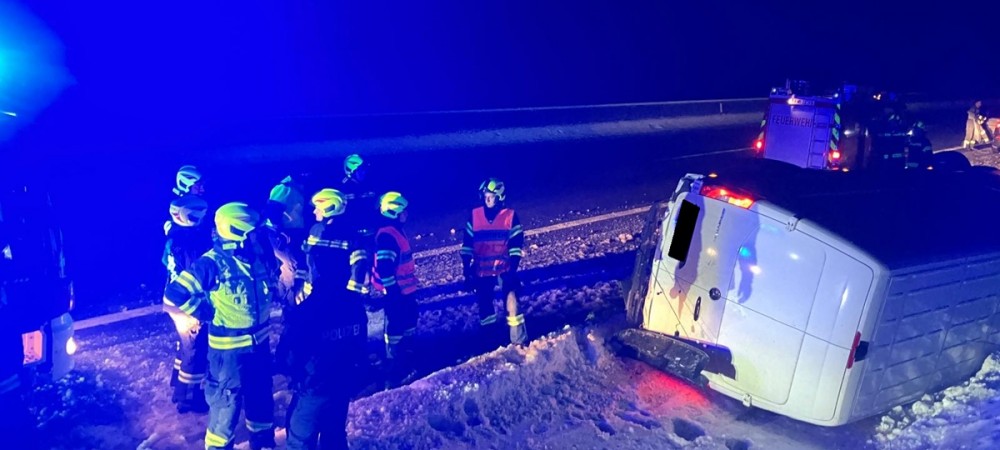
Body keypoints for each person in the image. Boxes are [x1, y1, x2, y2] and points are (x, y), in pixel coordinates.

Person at [163, 202, 279, 450]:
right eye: (253, 230)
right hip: (228, 356)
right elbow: (173, 295)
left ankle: (263, 444)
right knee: (225, 409)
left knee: (261, 403)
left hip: (258, 350)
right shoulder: (211, 263)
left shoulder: (254, 258)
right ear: (238, 231)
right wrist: (203, 311)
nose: (258, 234)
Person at [277, 188, 371, 449]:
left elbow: (288, 358)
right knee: (334, 432)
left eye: (318, 207)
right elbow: (360, 348)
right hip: (341, 381)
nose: (315, 212)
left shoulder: (308, 312)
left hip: (313, 386)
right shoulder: (353, 309)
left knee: (300, 435)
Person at [460, 178, 528, 346]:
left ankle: (518, 341)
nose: (487, 199)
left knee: (512, 303)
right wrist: (466, 269)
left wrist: (513, 268)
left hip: (504, 269)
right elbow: (467, 245)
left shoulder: (510, 216)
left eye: (491, 196)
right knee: (485, 307)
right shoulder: (475, 216)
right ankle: (489, 340)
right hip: (481, 271)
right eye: (485, 196)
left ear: (500, 197)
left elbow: (516, 244)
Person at [162, 195, 212, 413]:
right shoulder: (190, 242)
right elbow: (197, 273)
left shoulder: (175, 237)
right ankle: (188, 398)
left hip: (175, 300)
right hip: (188, 304)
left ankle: (178, 383)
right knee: (196, 349)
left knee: (186, 347)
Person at [371, 192, 419, 386]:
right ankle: (394, 365)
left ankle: (406, 356)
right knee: (395, 326)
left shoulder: (394, 231)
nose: (406, 214)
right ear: (394, 212)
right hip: (397, 292)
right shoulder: (388, 236)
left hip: (404, 291)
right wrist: (392, 292)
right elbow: (385, 267)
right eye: (403, 211)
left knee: (407, 322)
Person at [264, 175, 310, 308]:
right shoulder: (284, 189)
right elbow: (272, 211)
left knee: (292, 265)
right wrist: (279, 231)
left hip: (292, 232)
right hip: (281, 234)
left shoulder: (296, 189)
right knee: (291, 265)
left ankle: (289, 298)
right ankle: (290, 302)